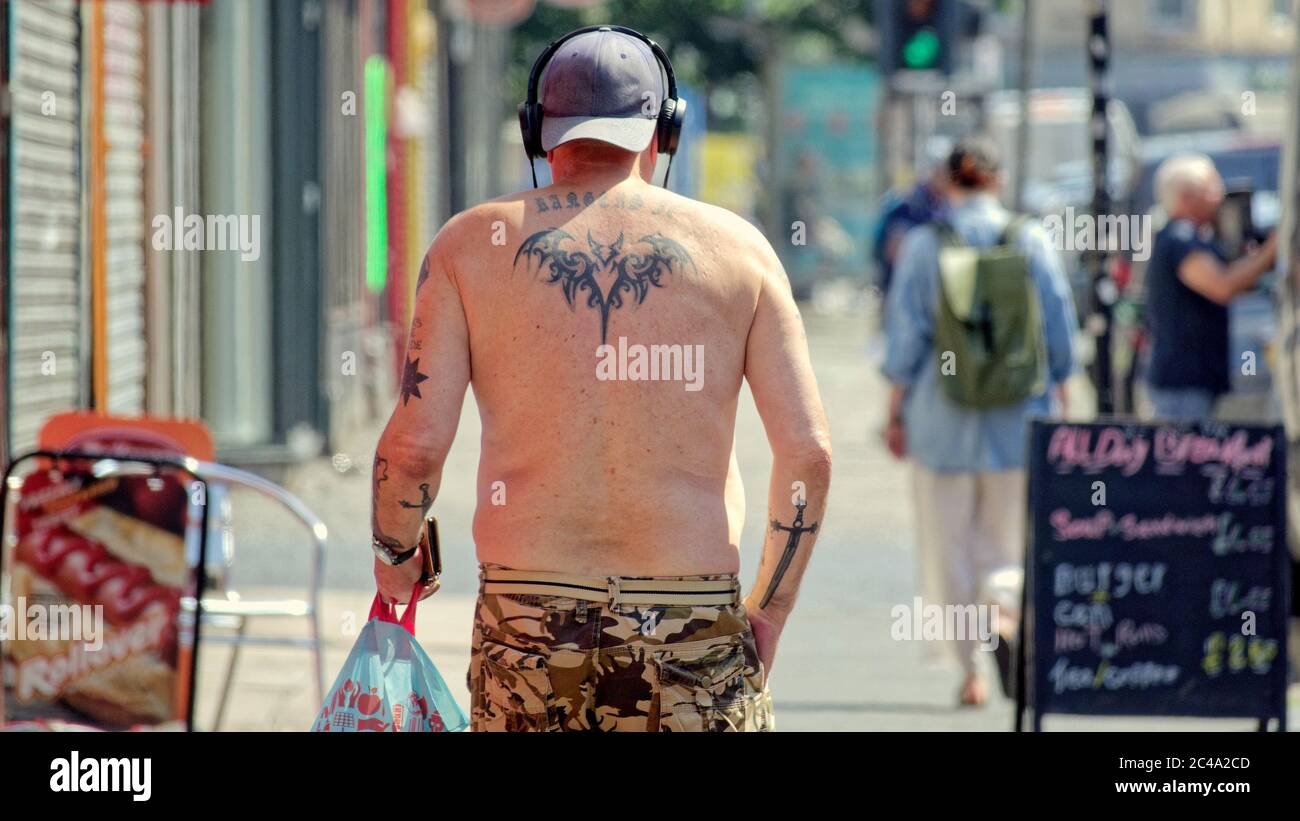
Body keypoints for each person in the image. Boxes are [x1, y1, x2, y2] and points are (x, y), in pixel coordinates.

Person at [369, 25, 831, 732]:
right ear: (663, 133)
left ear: (537, 133)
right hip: (690, 620)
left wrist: (396, 557)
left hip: (527, 625)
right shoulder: (740, 253)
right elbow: (808, 456)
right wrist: (768, 610)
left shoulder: (470, 246)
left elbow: (412, 452)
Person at [881, 136, 1076, 706]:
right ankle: (1006, 614)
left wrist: (894, 413)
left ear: (946, 183)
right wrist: (1061, 393)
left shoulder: (923, 245)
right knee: (1008, 538)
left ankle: (969, 671)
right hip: (1018, 416)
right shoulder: (1032, 239)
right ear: (998, 179)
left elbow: (907, 337)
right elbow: (1059, 327)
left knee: (948, 545)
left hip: (941, 417)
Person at [1144, 152, 1277, 421]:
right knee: (1184, 461)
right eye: (1211, 189)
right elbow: (1222, 286)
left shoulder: (1196, 237)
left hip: (1196, 381)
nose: (1219, 197)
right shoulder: (1179, 239)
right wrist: (1271, 251)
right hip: (1183, 386)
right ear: (1187, 196)